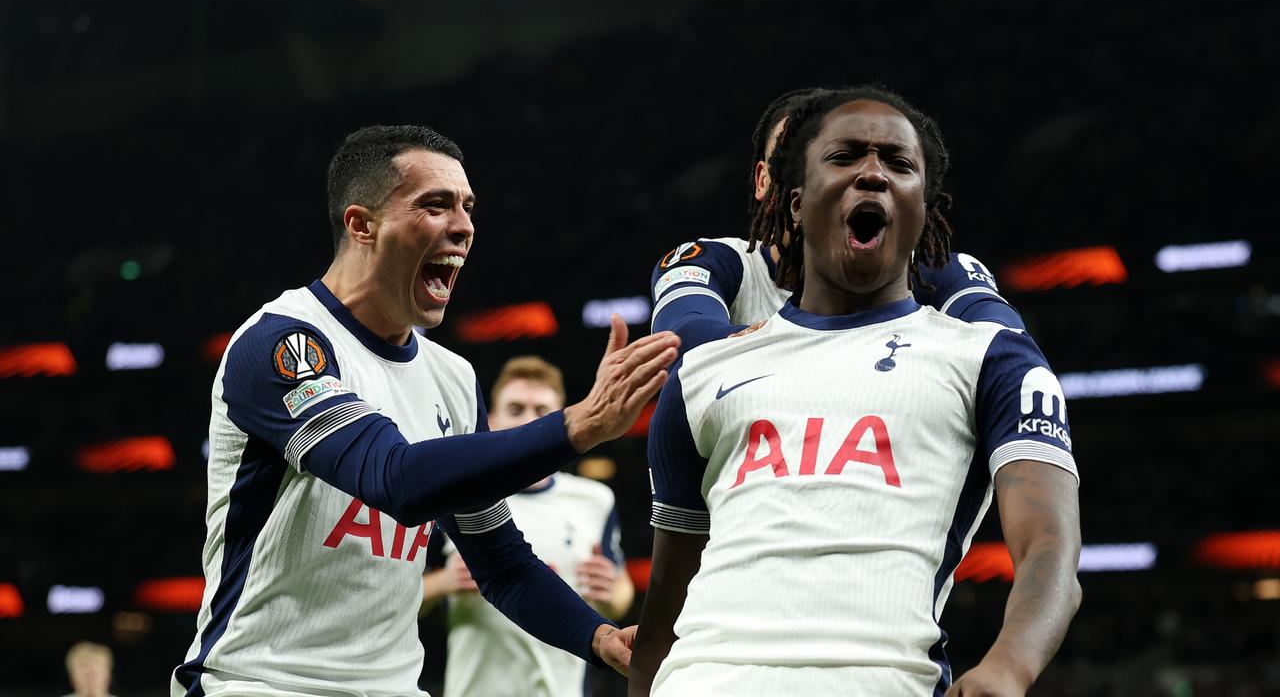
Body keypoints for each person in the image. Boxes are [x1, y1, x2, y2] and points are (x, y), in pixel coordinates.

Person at [172, 125, 677, 696]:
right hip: (262, 683)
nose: (463, 226)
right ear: (362, 224)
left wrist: (598, 636)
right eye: (435, 206)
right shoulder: (284, 344)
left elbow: (501, 563)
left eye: (467, 208)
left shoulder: (453, 378)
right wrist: (575, 426)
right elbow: (395, 479)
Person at [630, 87, 1081, 695]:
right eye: (844, 157)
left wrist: (1009, 664)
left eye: (898, 164)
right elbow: (663, 616)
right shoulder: (706, 371)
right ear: (791, 201)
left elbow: (1050, 550)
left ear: (925, 207)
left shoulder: (990, 359)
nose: (871, 173)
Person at [650, 87, 1024, 355]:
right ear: (765, 180)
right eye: (788, 162)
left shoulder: (936, 271)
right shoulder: (713, 262)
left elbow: (1006, 347)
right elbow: (681, 342)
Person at [421, 355, 635, 697]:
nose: (529, 421)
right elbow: (401, 597)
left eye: (541, 411)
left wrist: (613, 594)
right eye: (516, 409)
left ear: (562, 419)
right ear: (490, 420)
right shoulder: (458, 495)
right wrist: (443, 582)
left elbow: (621, 587)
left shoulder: (595, 499)